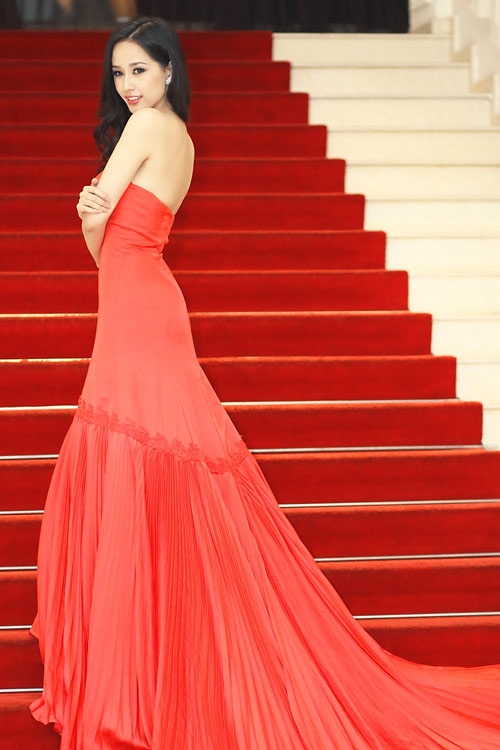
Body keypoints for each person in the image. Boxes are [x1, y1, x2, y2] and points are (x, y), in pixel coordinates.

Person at [28, 15, 500, 749]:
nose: (128, 86)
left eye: (140, 70)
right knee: (151, 465)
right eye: (118, 73)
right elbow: (107, 234)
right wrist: (94, 216)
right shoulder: (178, 137)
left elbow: (96, 227)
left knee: (134, 462)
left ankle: (140, 674)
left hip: (139, 311)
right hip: (142, 303)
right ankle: (155, 665)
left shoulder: (147, 128)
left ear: (169, 71)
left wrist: (89, 212)